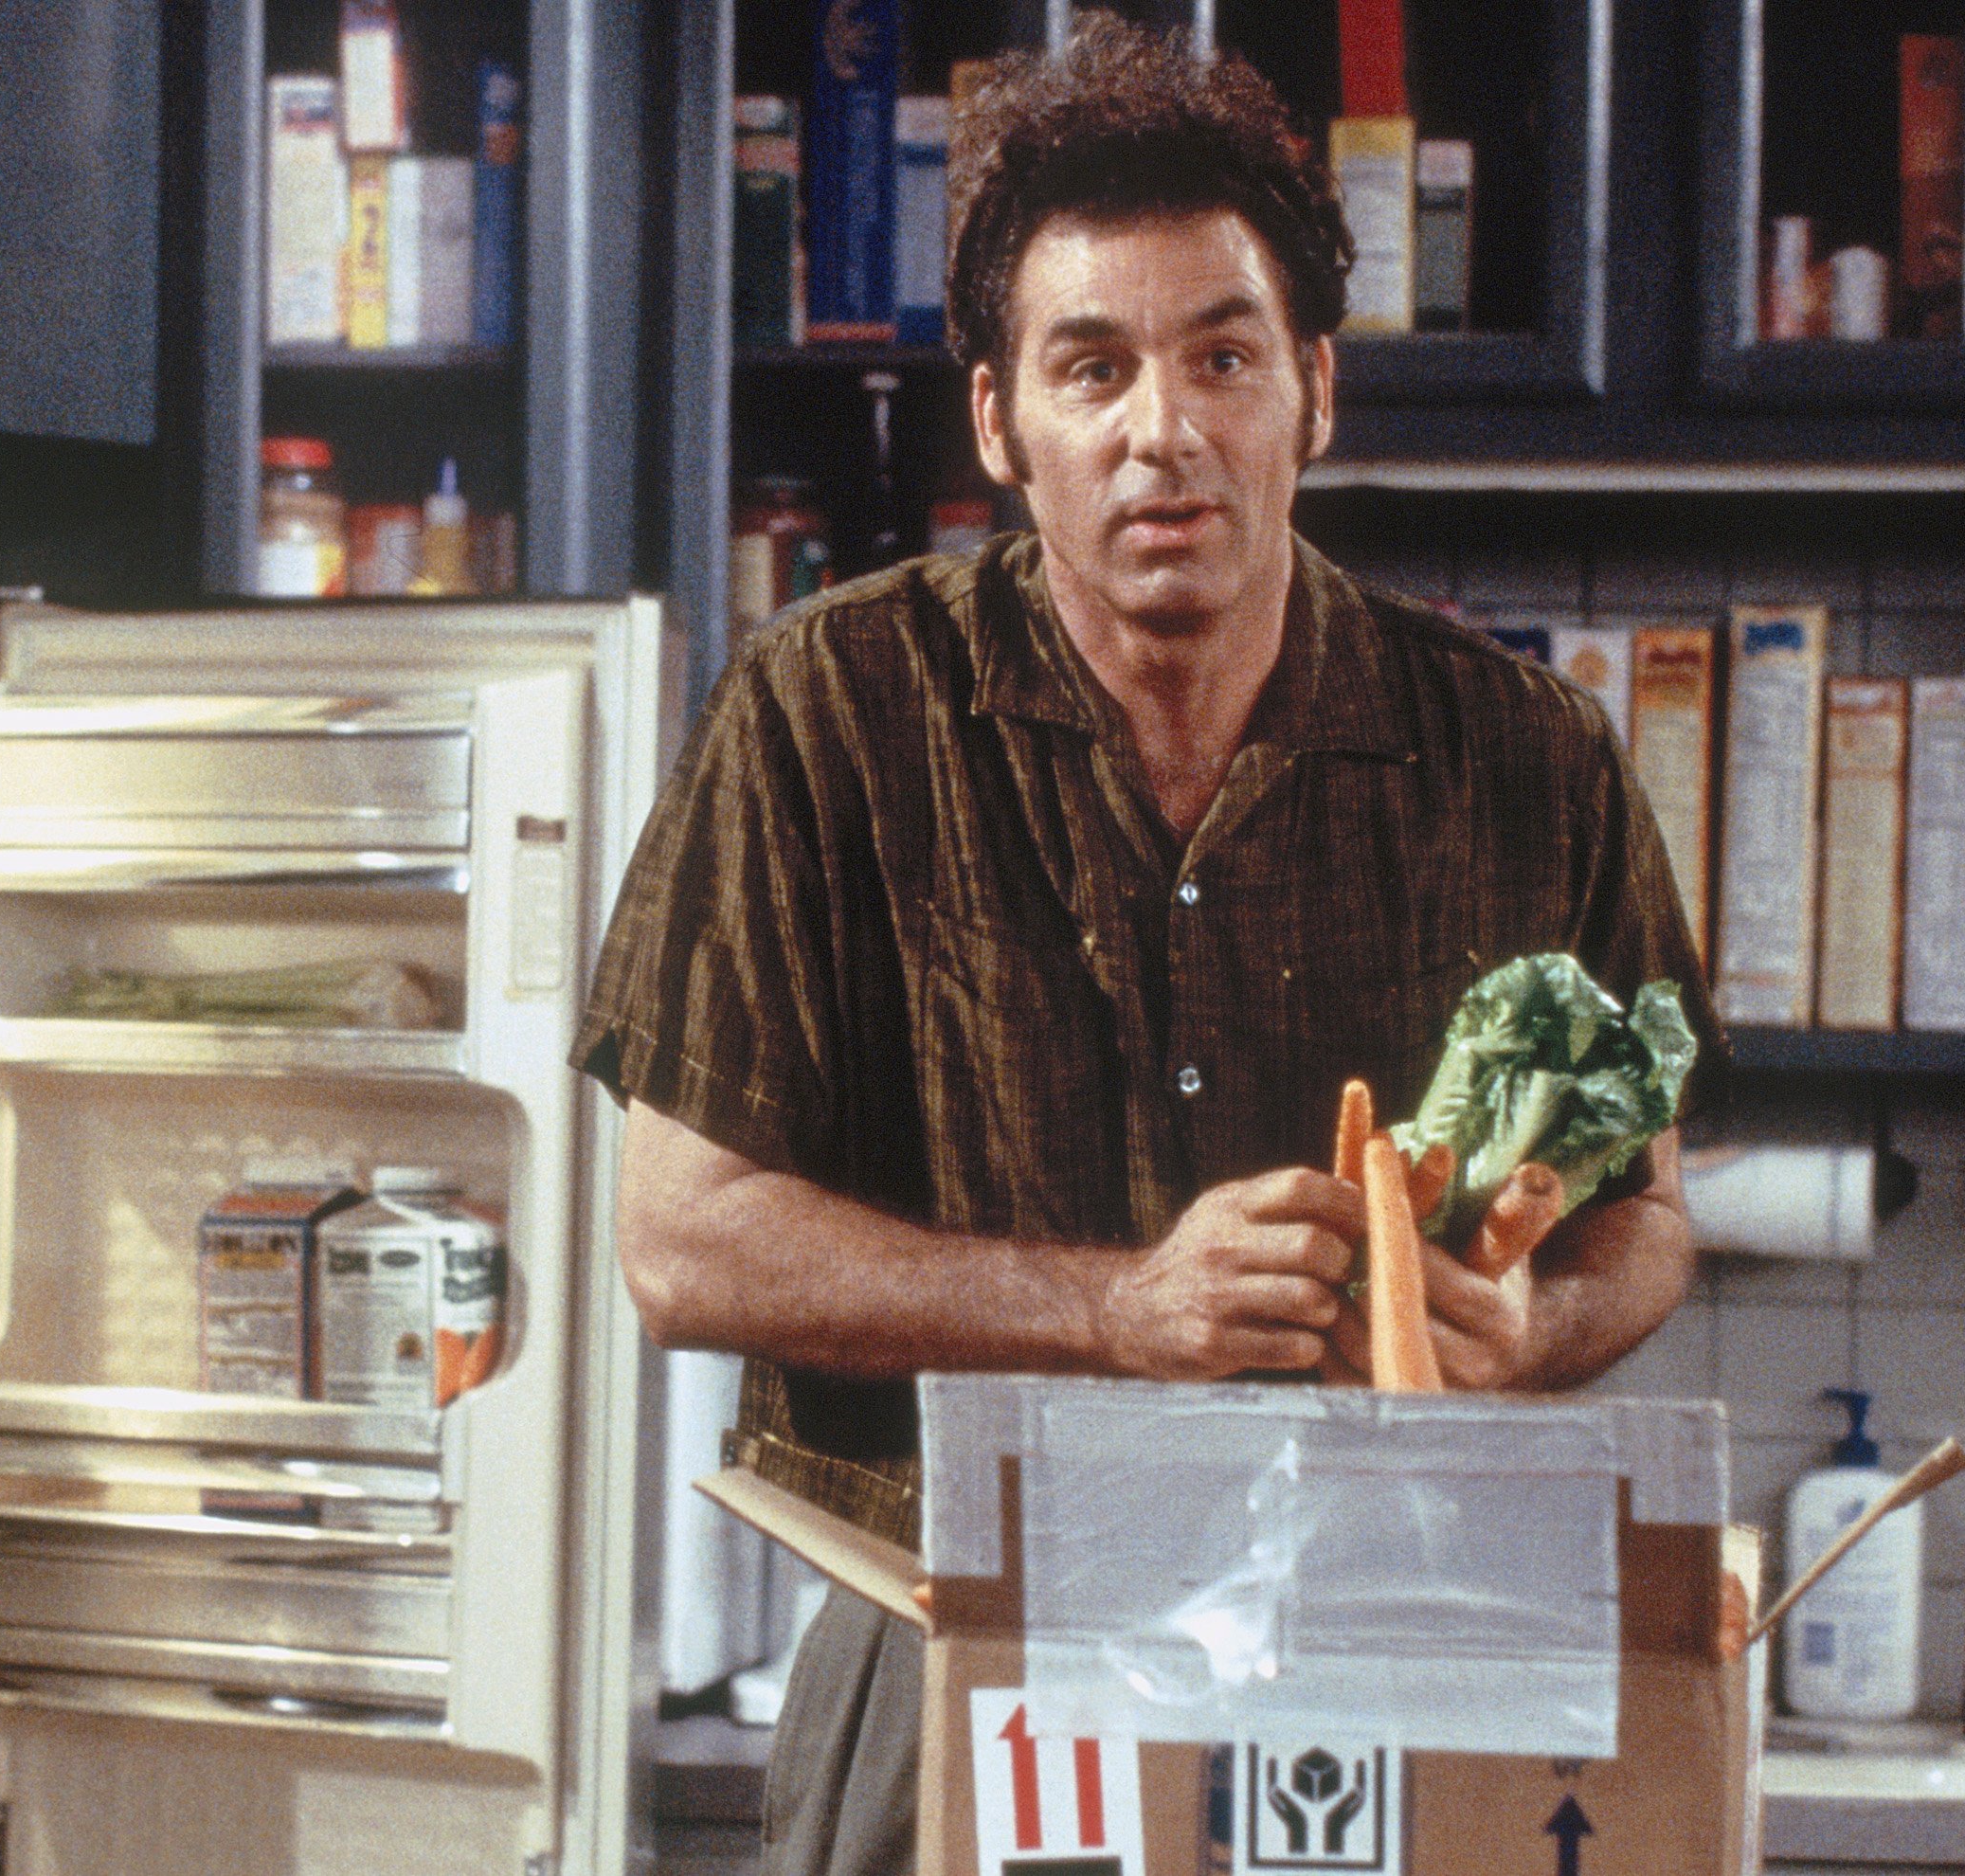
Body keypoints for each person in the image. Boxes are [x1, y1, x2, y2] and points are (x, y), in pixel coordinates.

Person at [573, 18, 1722, 1875]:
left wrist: (1528, 1327)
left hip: (1383, 1654)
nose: (1159, 430)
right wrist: (1114, 1310)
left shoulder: (1528, 759)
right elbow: (679, 1239)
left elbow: (1640, 1216)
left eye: (1223, 356)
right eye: (1090, 365)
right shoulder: (826, 712)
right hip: (952, 1628)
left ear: (1314, 395)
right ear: (999, 421)